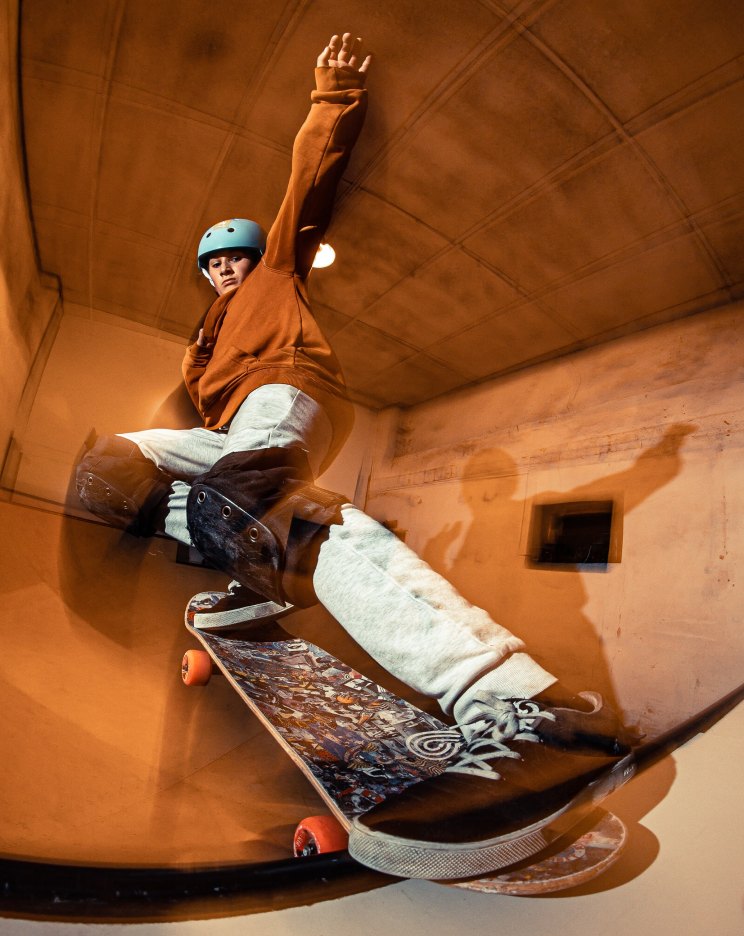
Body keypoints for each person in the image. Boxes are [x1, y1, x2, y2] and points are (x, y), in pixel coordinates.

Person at [76, 33, 637, 880]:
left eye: (234, 258)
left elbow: (305, 192)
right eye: (215, 264)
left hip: (287, 393)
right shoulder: (202, 339)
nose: (227, 271)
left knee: (250, 499)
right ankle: (257, 564)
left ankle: (523, 707)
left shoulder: (275, 276)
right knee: (115, 467)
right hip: (235, 428)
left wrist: (332, 99)